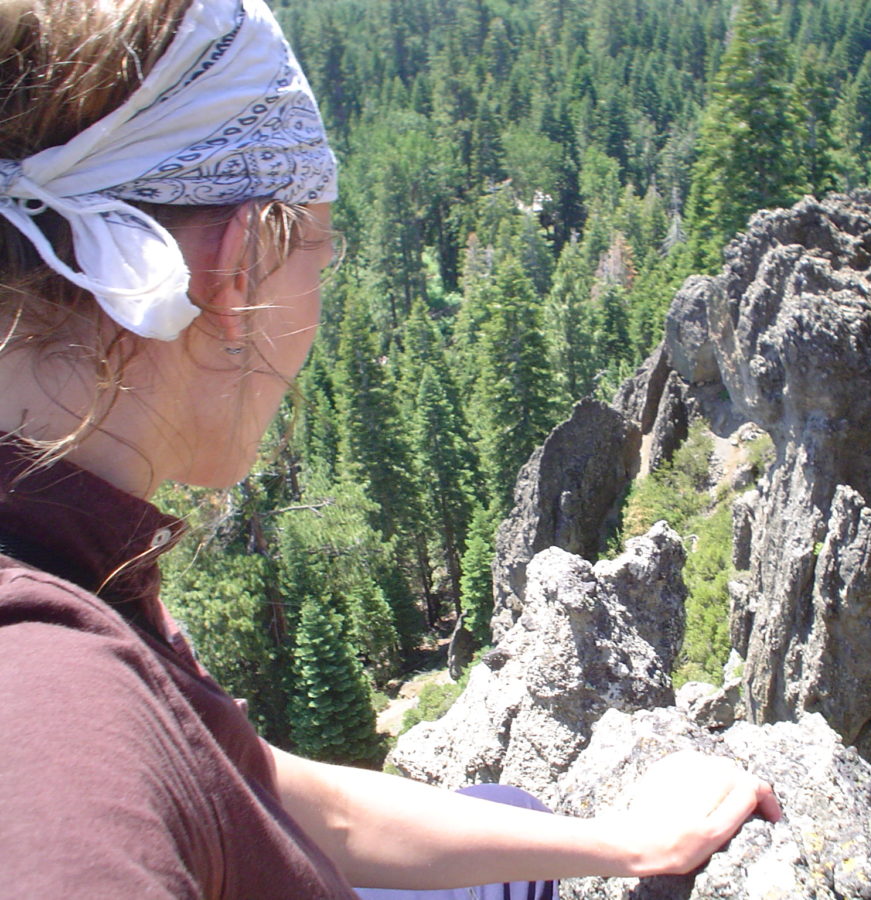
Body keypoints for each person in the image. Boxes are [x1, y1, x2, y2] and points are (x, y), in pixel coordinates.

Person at [0, 0, 781, 897]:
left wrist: (623, 844)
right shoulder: (58, 720)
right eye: (320, 261)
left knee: (513, 817)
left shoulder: (72, 554)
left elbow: (287, 800)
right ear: (236, 268)